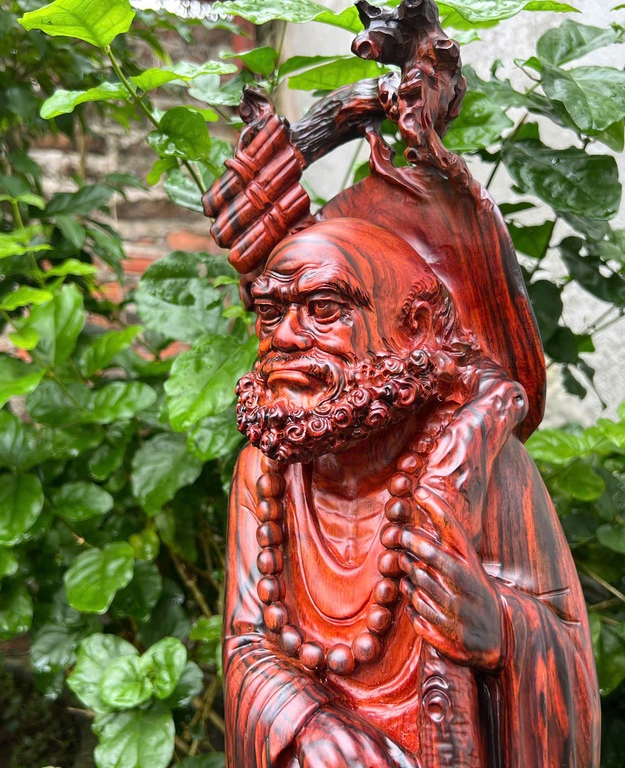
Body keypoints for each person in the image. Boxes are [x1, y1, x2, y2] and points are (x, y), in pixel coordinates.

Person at [221, 217, 600, 768]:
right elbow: (246, 643)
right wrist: (310, 724)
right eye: (272, 313)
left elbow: (570, 659)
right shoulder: (264, 472)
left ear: (414, 326)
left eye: (323, 309)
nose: (284, 337)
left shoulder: (484, 466)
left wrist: (501, 629)